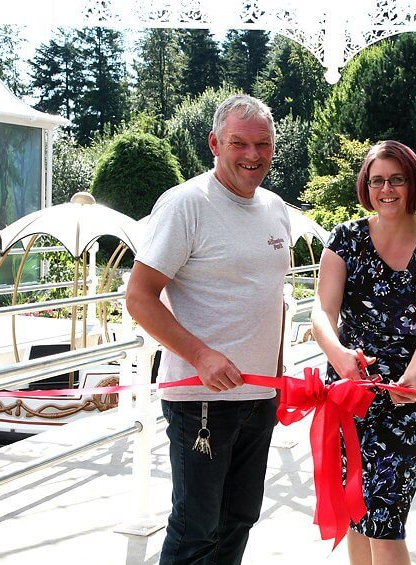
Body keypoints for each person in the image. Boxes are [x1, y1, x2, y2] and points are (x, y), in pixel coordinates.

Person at [126, 95, 290, 564]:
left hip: (259, 397)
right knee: (196, 529)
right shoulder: (185, 205)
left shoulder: (275, 207)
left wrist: (278, 379)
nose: (253, 155)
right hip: (201, 401)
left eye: (263, 144)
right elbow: (140, 297)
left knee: (239, 518)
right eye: (239, 143)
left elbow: (271, 295)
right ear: (214, 143)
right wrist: (201, 356)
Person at [312, 140, 416, 565]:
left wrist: (413, 378)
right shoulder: (344, 238)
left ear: (413, 182)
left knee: (385, 516)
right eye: (377, 180)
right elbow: (322, 314)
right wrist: (339, 354)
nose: (387, 189)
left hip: (409, 399)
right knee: (356, 511)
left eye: (396, 179)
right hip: (349, 393)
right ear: (366, 186)